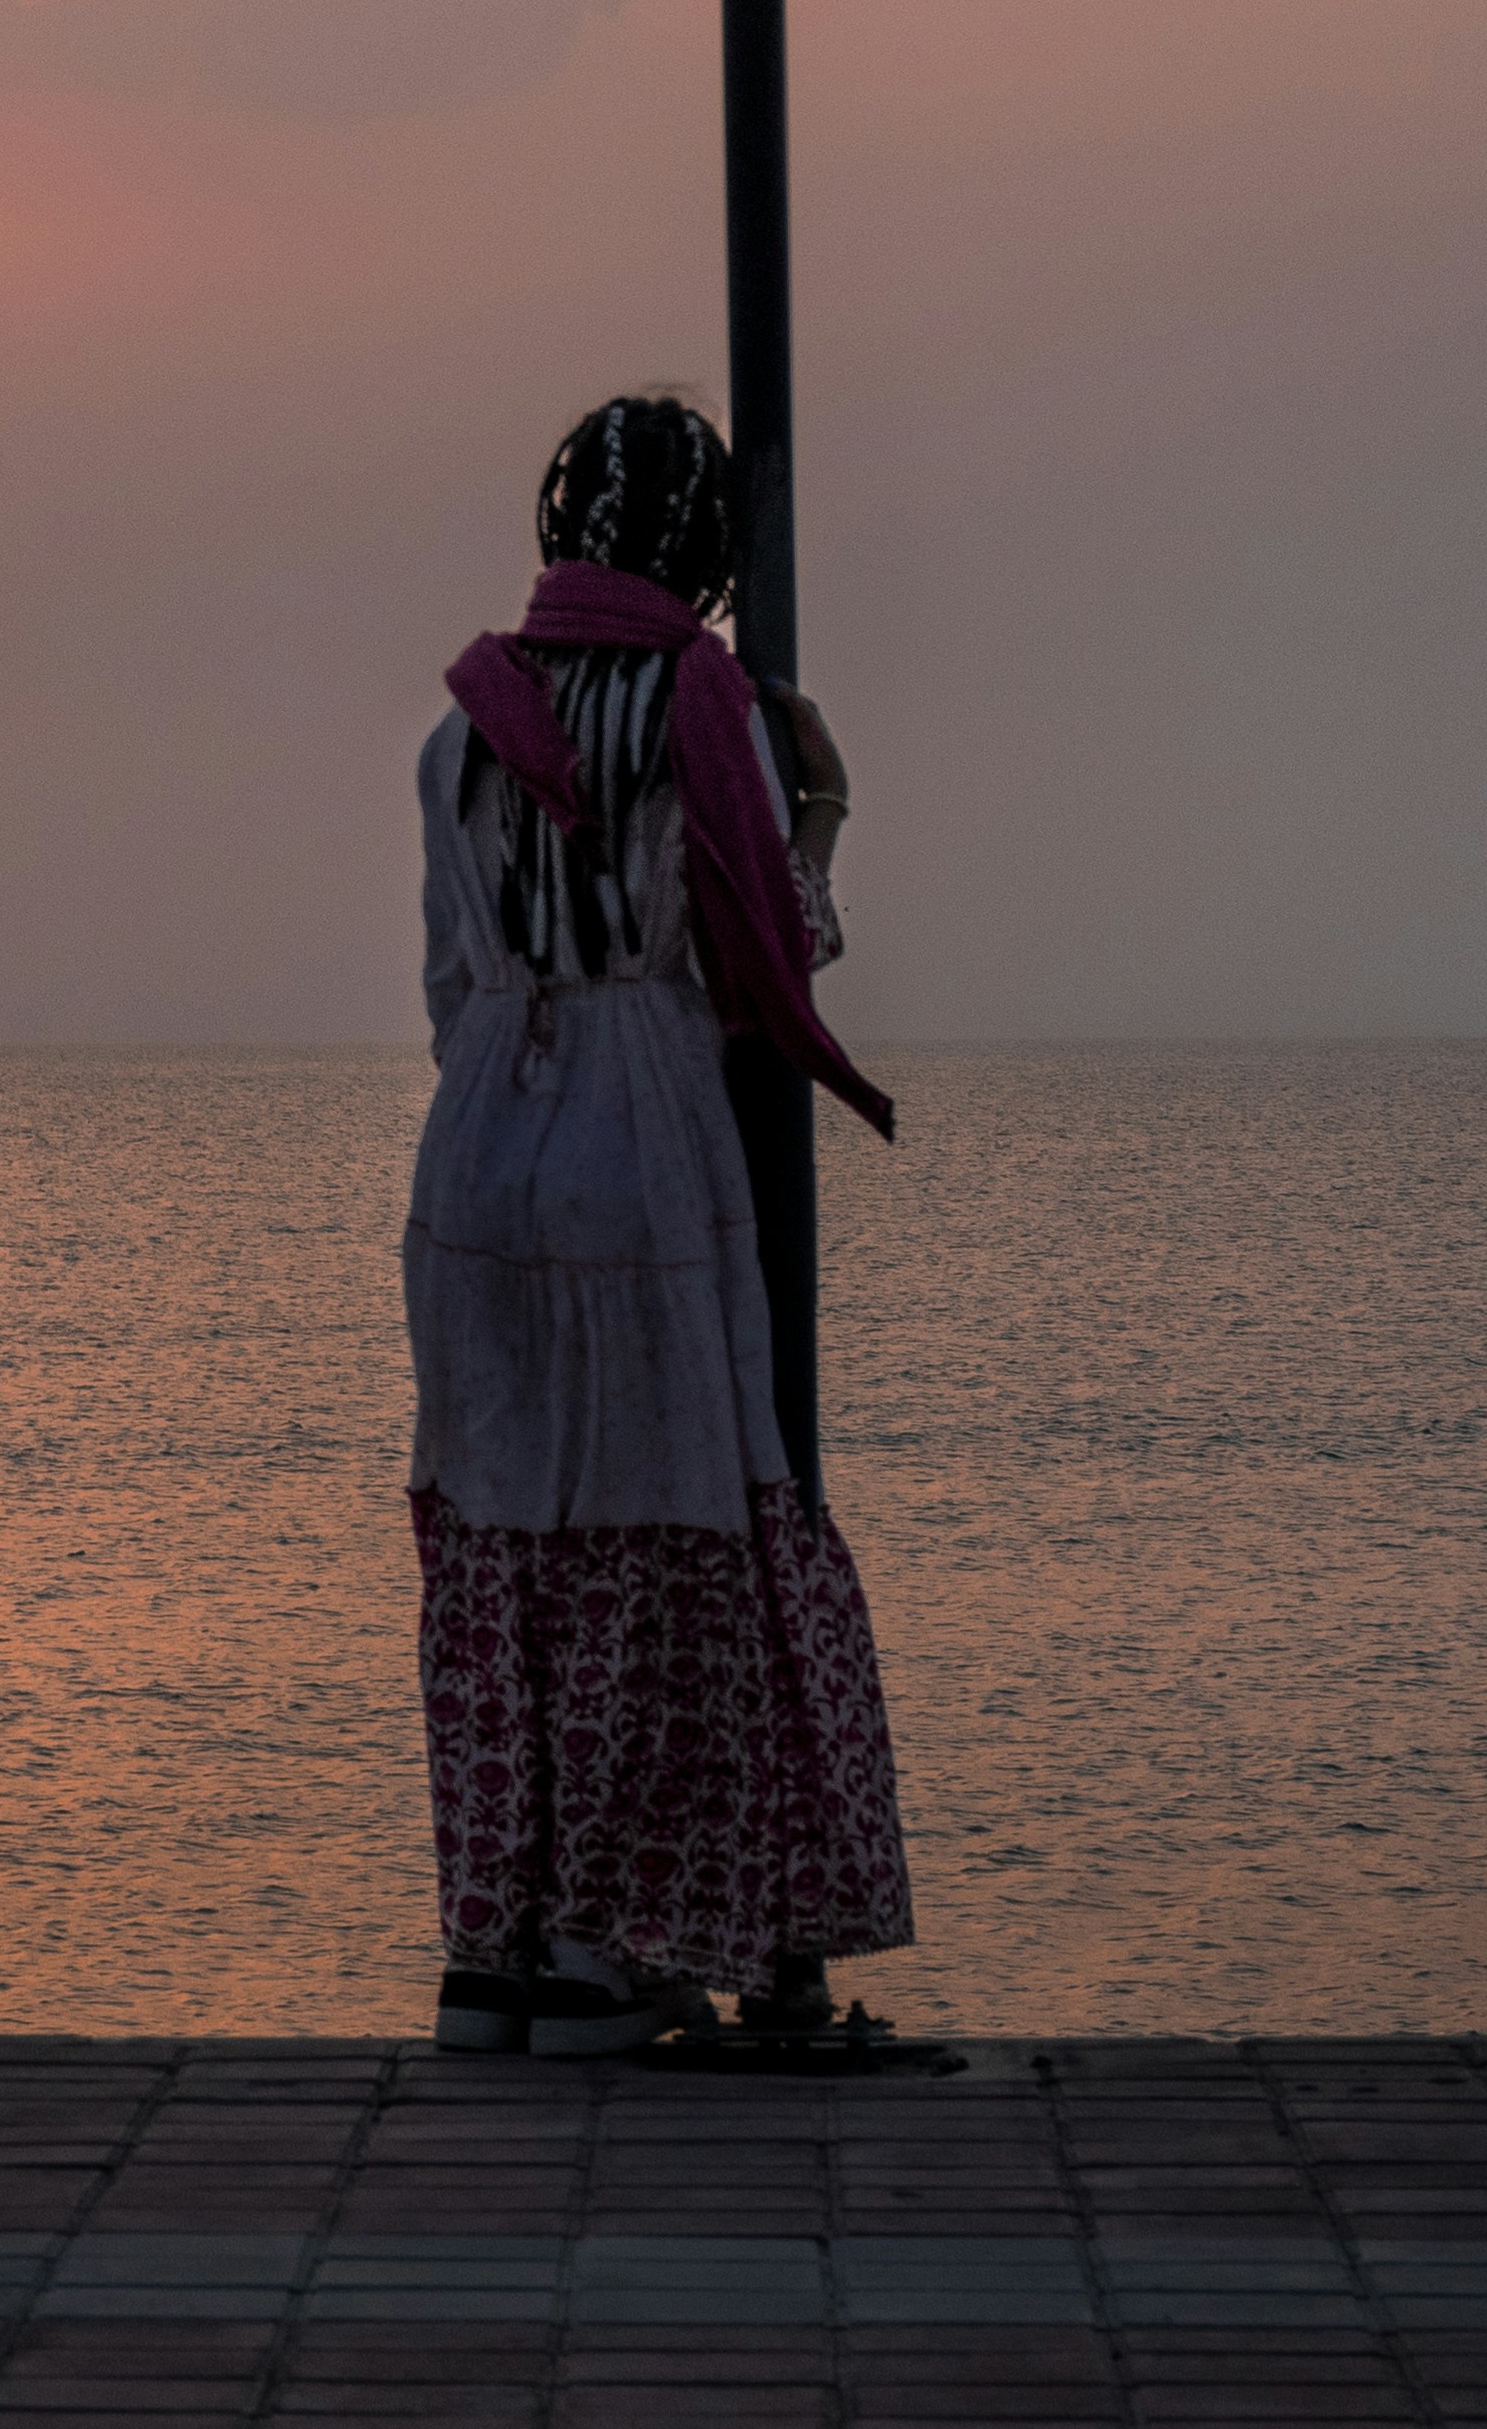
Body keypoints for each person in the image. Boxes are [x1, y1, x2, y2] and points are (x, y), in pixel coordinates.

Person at [406, 390, 914, 2056]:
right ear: (697, 549)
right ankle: (606, 1945)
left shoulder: (462, 726)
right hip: (638, 1126)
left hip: (478, 1131)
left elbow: (446, 973)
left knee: (503, 1537)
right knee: (660, 1532)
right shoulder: (707, 710)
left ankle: (500, 1941)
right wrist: (822, 808)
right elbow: (763, 952)